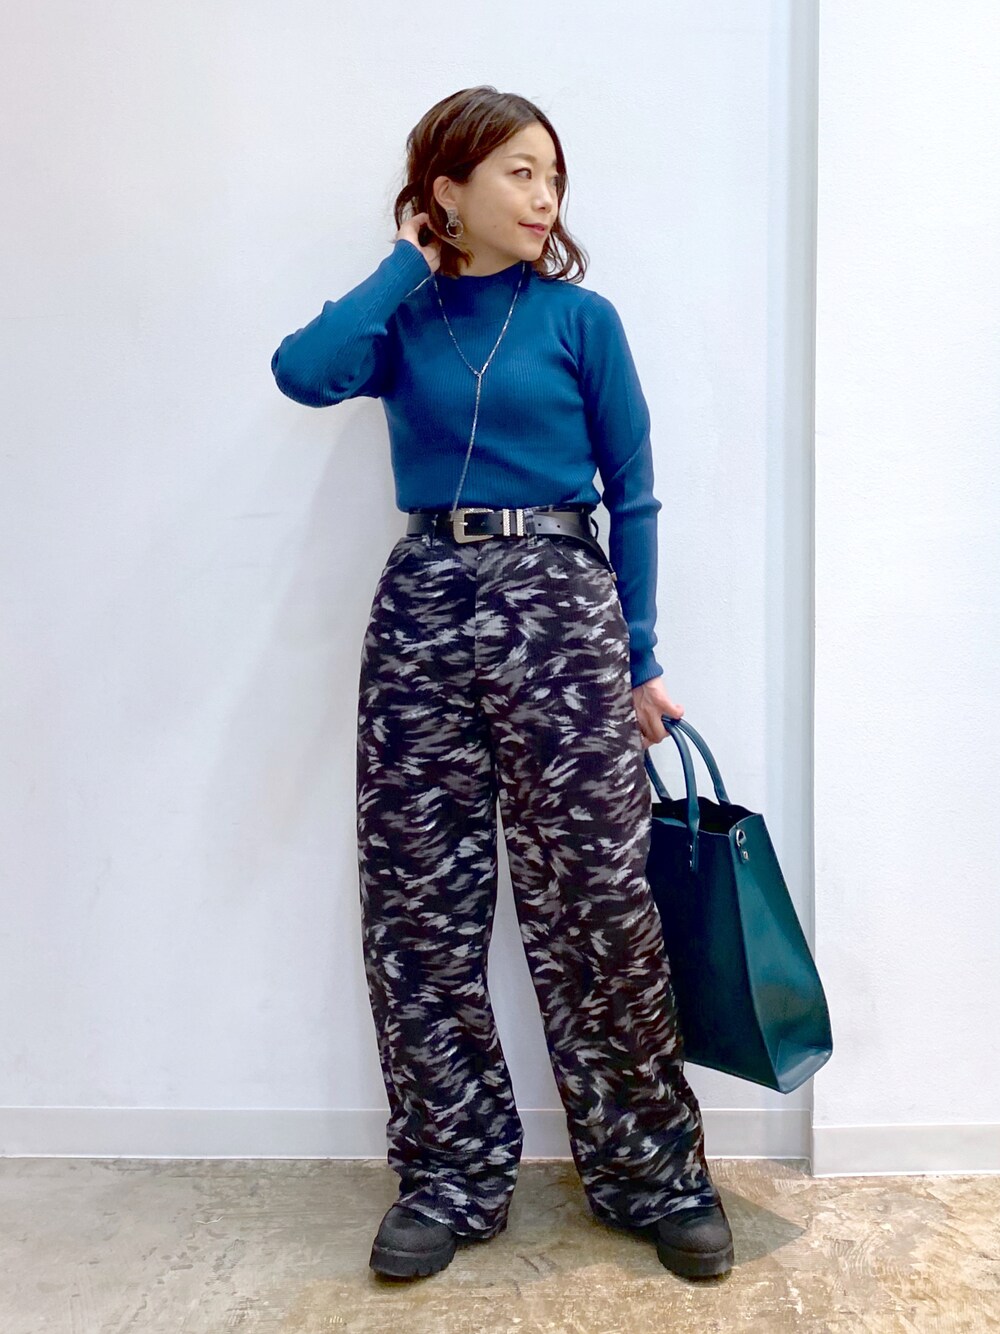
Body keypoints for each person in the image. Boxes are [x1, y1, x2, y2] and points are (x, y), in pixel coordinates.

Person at [270, 85, 734, 1283]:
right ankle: (448, 1173)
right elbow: (302, 371)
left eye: (552, 177)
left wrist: (639, 657)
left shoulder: (581, 319)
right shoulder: (402, 318)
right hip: (424, 601)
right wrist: (403, 263)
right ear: (449, 188)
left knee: (597, 900)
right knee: (418, 902)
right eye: (520, 173)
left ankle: (651, 1171)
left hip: (561, 604)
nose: (544, 198)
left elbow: (633, 495)